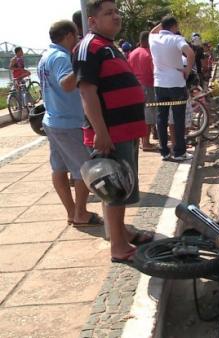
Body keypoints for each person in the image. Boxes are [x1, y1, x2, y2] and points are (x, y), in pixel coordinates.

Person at [74, 0, 150, 263]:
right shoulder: (89, 47)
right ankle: (118, 246)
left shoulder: (109, 46)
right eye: (109, 13)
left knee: (123, 186)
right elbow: (87, 91)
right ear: (92, 21)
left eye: (117, 11)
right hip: (111, 132)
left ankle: (121, 232)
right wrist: (101, 132)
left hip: (125, 129)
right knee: (114, 188)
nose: (116, 16)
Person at [37, 20, 102, 227]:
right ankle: (80, 213)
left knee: (59, 168)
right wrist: (82, 67)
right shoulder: (61, 57)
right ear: (67, 36)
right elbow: (66, 83)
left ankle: (72, 212)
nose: (77, 40)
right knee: (83, 169)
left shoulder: (45, 56)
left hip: (53, 120)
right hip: (67, 123)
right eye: (75, 36)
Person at [149, 15, 195, 161]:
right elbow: (190, 53)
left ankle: (164, 152)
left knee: (161, 119)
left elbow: (152, 31)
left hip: (159, 85)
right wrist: (187, 70)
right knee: (178, 119)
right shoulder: (176, 39)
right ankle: (179, 152)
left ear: (162, 26)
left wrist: (161, 23)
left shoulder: (153, 38)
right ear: (174, 26)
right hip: (176, 84)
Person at [128, 31, 157, 151]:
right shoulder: (149, 54)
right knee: (149, 115)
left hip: (135, 86)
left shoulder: (132, 53)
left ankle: (143, 141)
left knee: (142, 114)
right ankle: (146, 142)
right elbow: (153, 71)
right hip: (148, 85)